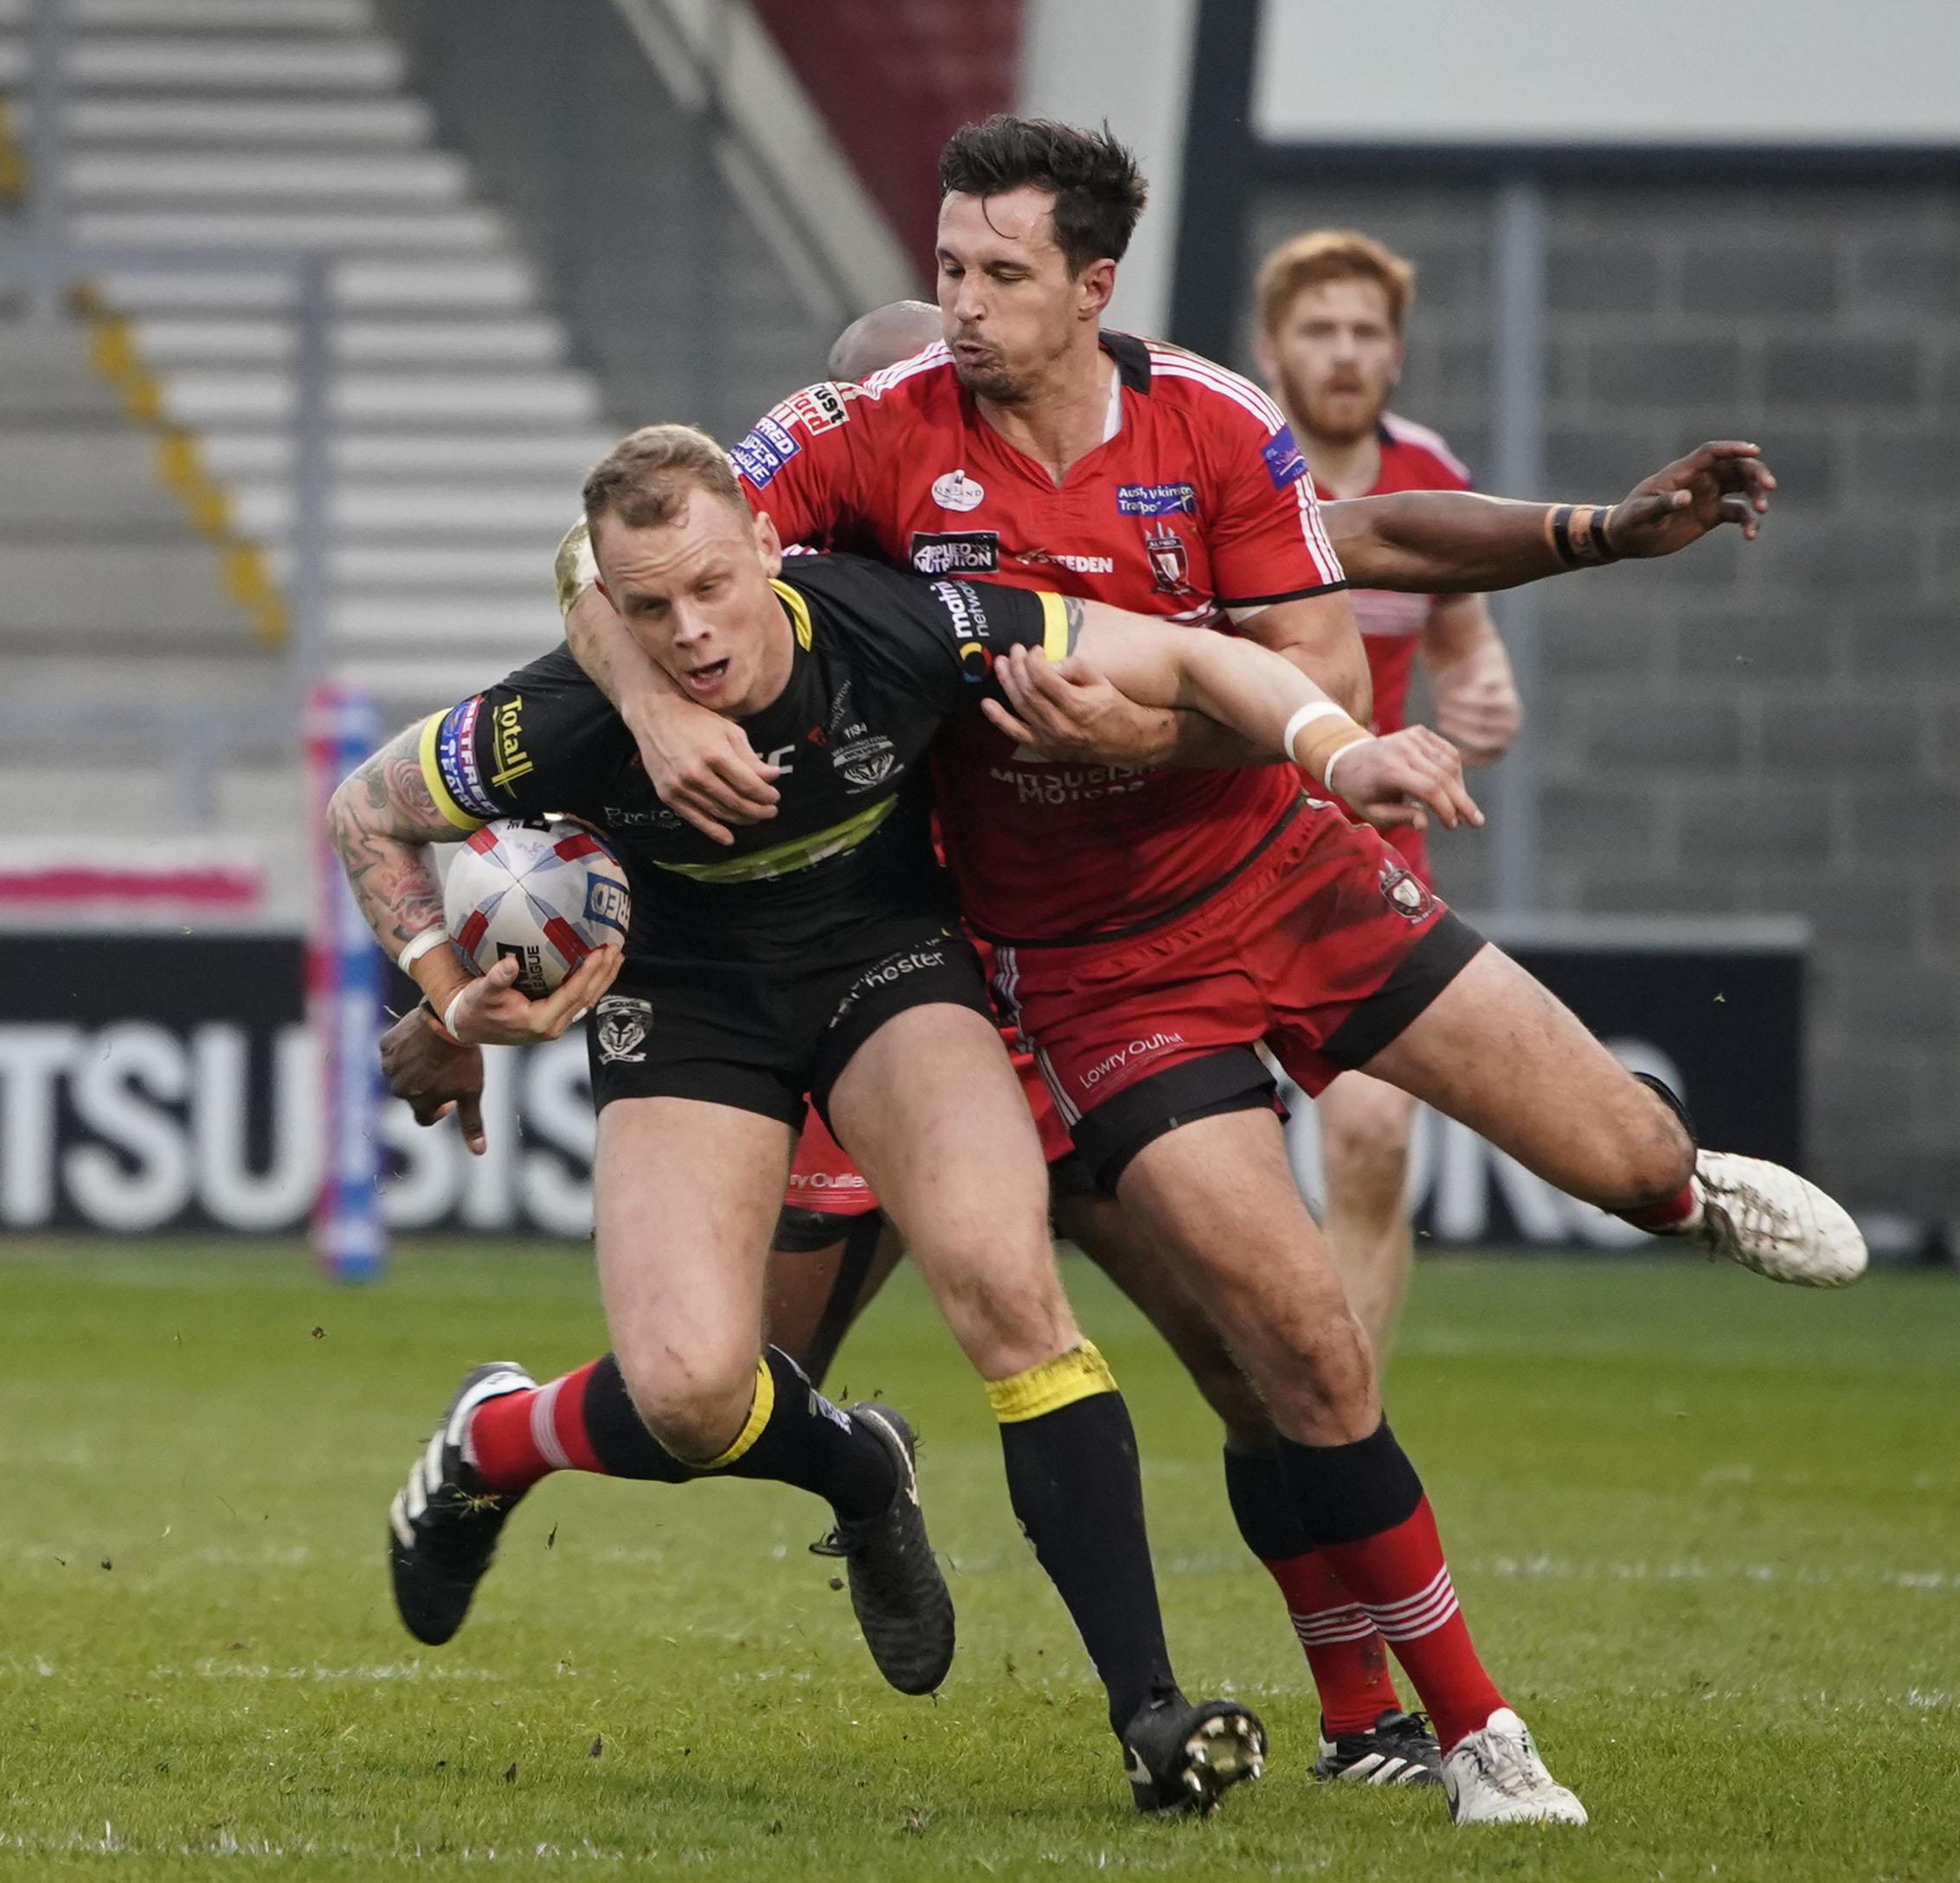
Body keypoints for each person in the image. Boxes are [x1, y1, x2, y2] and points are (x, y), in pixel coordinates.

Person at [558, 119, 1866, 1827]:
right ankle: (1445, 1725)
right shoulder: (862, 441)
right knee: (1273, 1348)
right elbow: (621, 555)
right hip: (1066, 968)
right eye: (944, 269)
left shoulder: (1210, 423)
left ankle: (1675, 1185)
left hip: (1284, 872)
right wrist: (652, 714)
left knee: (1613, 1164)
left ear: (1091, 287)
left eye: (993, 273)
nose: (955, 306)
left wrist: (1157, 722)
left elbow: (1331, 616)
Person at [333, 420, 1477, 1813]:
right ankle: (777, 1460)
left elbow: (1183, 657)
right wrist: (446, 997)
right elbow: (363, 812)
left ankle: (1150, 1717)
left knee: (1009, 1289)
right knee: (691, 1393)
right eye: (650, 610)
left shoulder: (897, 621)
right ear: (607, 613)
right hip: (690, 1006)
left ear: (771, 543)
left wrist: (1334, 749)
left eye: (711, 588)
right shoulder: (563, 717)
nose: (691, 633)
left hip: (887, 970)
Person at [1253, 227, 1519, 1359]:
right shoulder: (1232, 466)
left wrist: (1484, 689)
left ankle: (1345, 1419)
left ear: (1397, 353)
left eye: (1366, 331)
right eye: (1319, 330)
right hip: (1220, 843)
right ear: (1271, 350)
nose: (1345, 352)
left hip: (1364, 858)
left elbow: (1461, 636)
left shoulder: (1430, 479)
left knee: (1372, 1137)